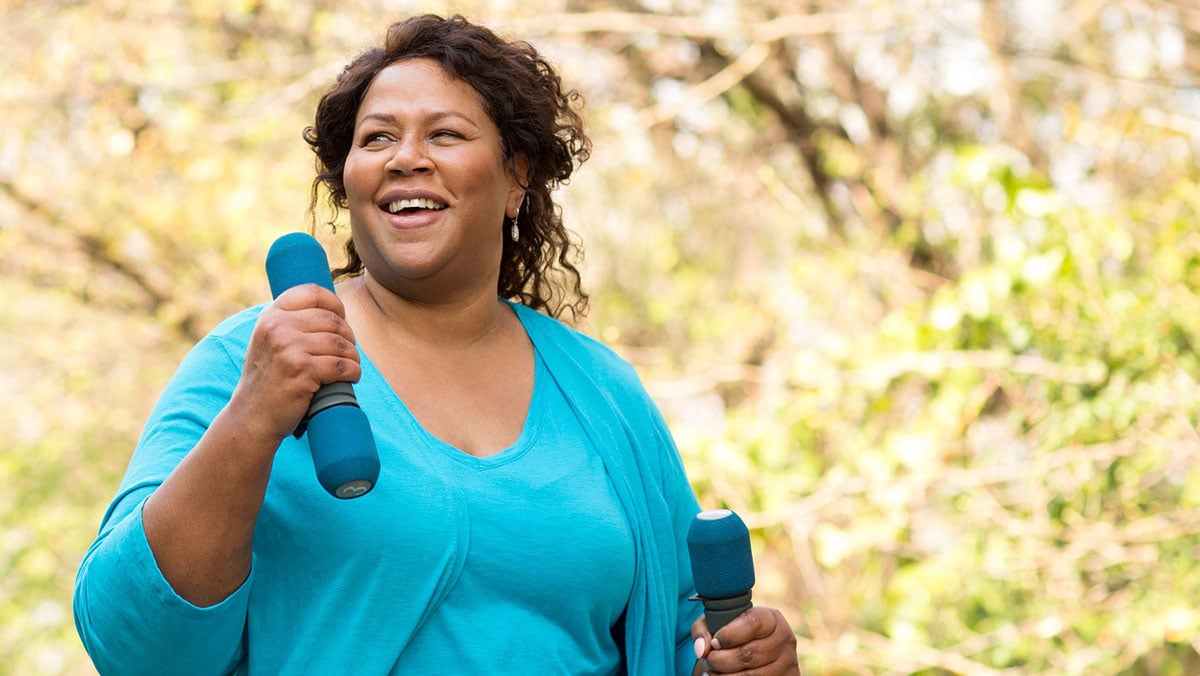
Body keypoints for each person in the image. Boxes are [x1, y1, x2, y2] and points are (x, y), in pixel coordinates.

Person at [73, 13, 800, 675]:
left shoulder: (602, 392)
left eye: (444, 134)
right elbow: (131, 640)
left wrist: (735, 661)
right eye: (377, 138)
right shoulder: (249, 362)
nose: (405, 158)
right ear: (346, 183)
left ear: (518, 177)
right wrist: (253, 419)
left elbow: (675, 633)